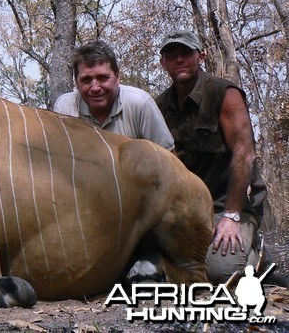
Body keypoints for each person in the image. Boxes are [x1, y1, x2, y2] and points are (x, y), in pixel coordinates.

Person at [155, 29, 268, 283]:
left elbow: (244, 155)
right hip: (186, 210)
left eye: (186, 53)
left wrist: (231, 216)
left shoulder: (224, 93)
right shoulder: (158, 105)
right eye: (171, 55)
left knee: (222, 273)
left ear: (201, 56)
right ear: (163, 63)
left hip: (226, 205)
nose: (179, 59)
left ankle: (256, 250)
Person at [53, 40, 175, 151]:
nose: (95, 88)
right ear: (76, 82)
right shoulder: (65, 108)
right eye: (86, 80)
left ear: (117, 77)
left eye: (103, 78)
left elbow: (169, 160)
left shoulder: (140, 103)